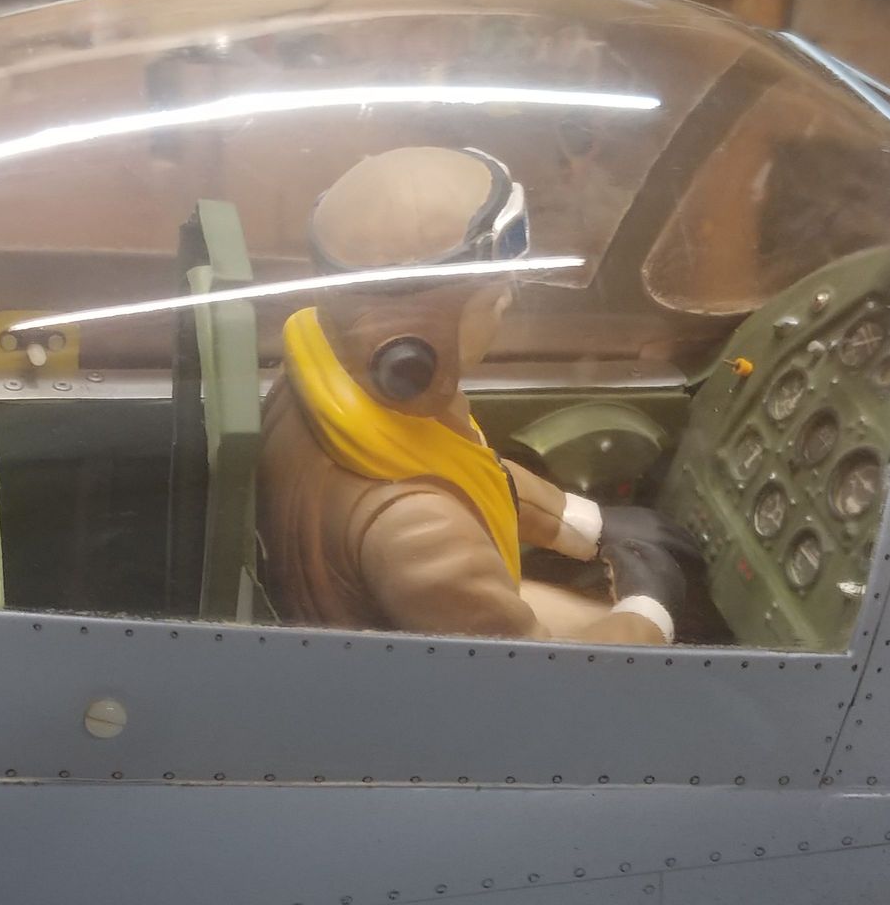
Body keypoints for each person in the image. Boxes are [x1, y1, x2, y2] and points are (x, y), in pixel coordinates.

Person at [258, 145, 695, 644]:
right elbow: (544, 676)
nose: (506, 302)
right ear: (414, 347)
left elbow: (468, 470)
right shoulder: (419, 532)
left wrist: (588, 524)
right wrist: (652, 606)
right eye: (489, 298)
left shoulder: (335, 381)